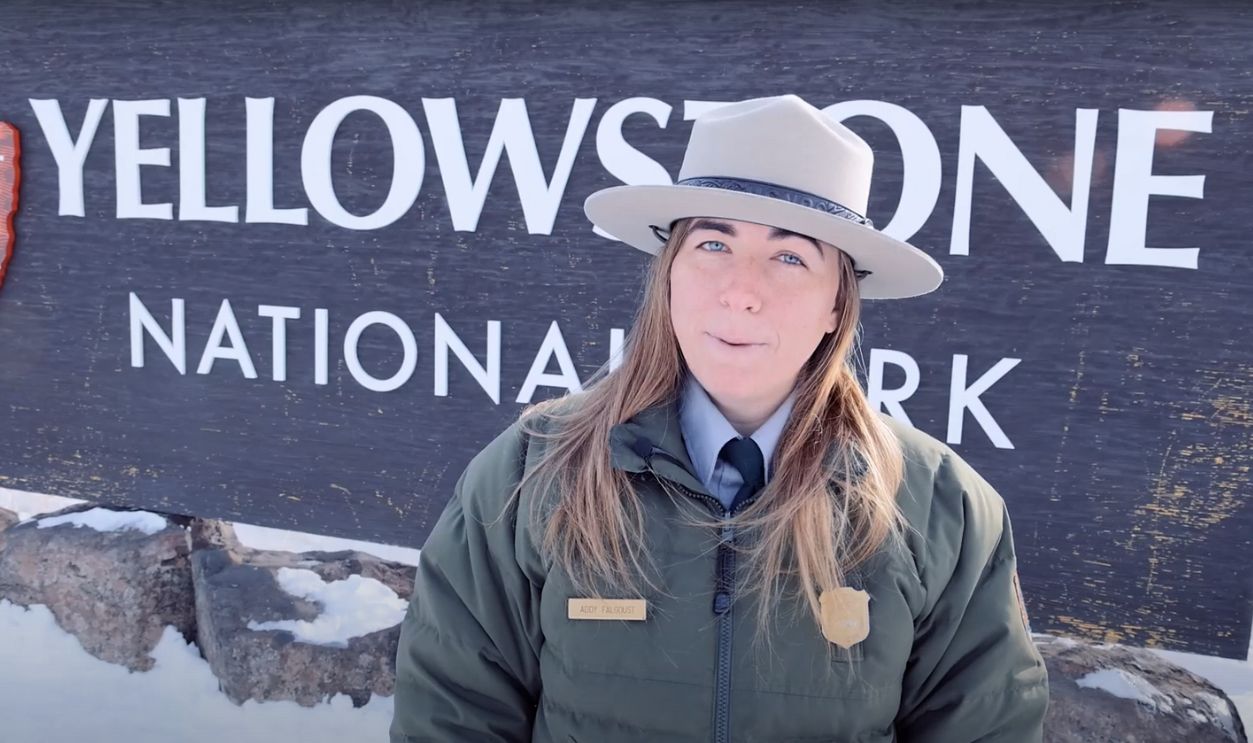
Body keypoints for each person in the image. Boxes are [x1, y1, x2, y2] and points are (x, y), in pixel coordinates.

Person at [390, 94, 1049, 742]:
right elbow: (452, 713)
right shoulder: (532, 468)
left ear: (834, 307)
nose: (740, 290)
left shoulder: (939, 506)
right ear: (669, 273)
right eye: (712, 244)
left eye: (790, 256)